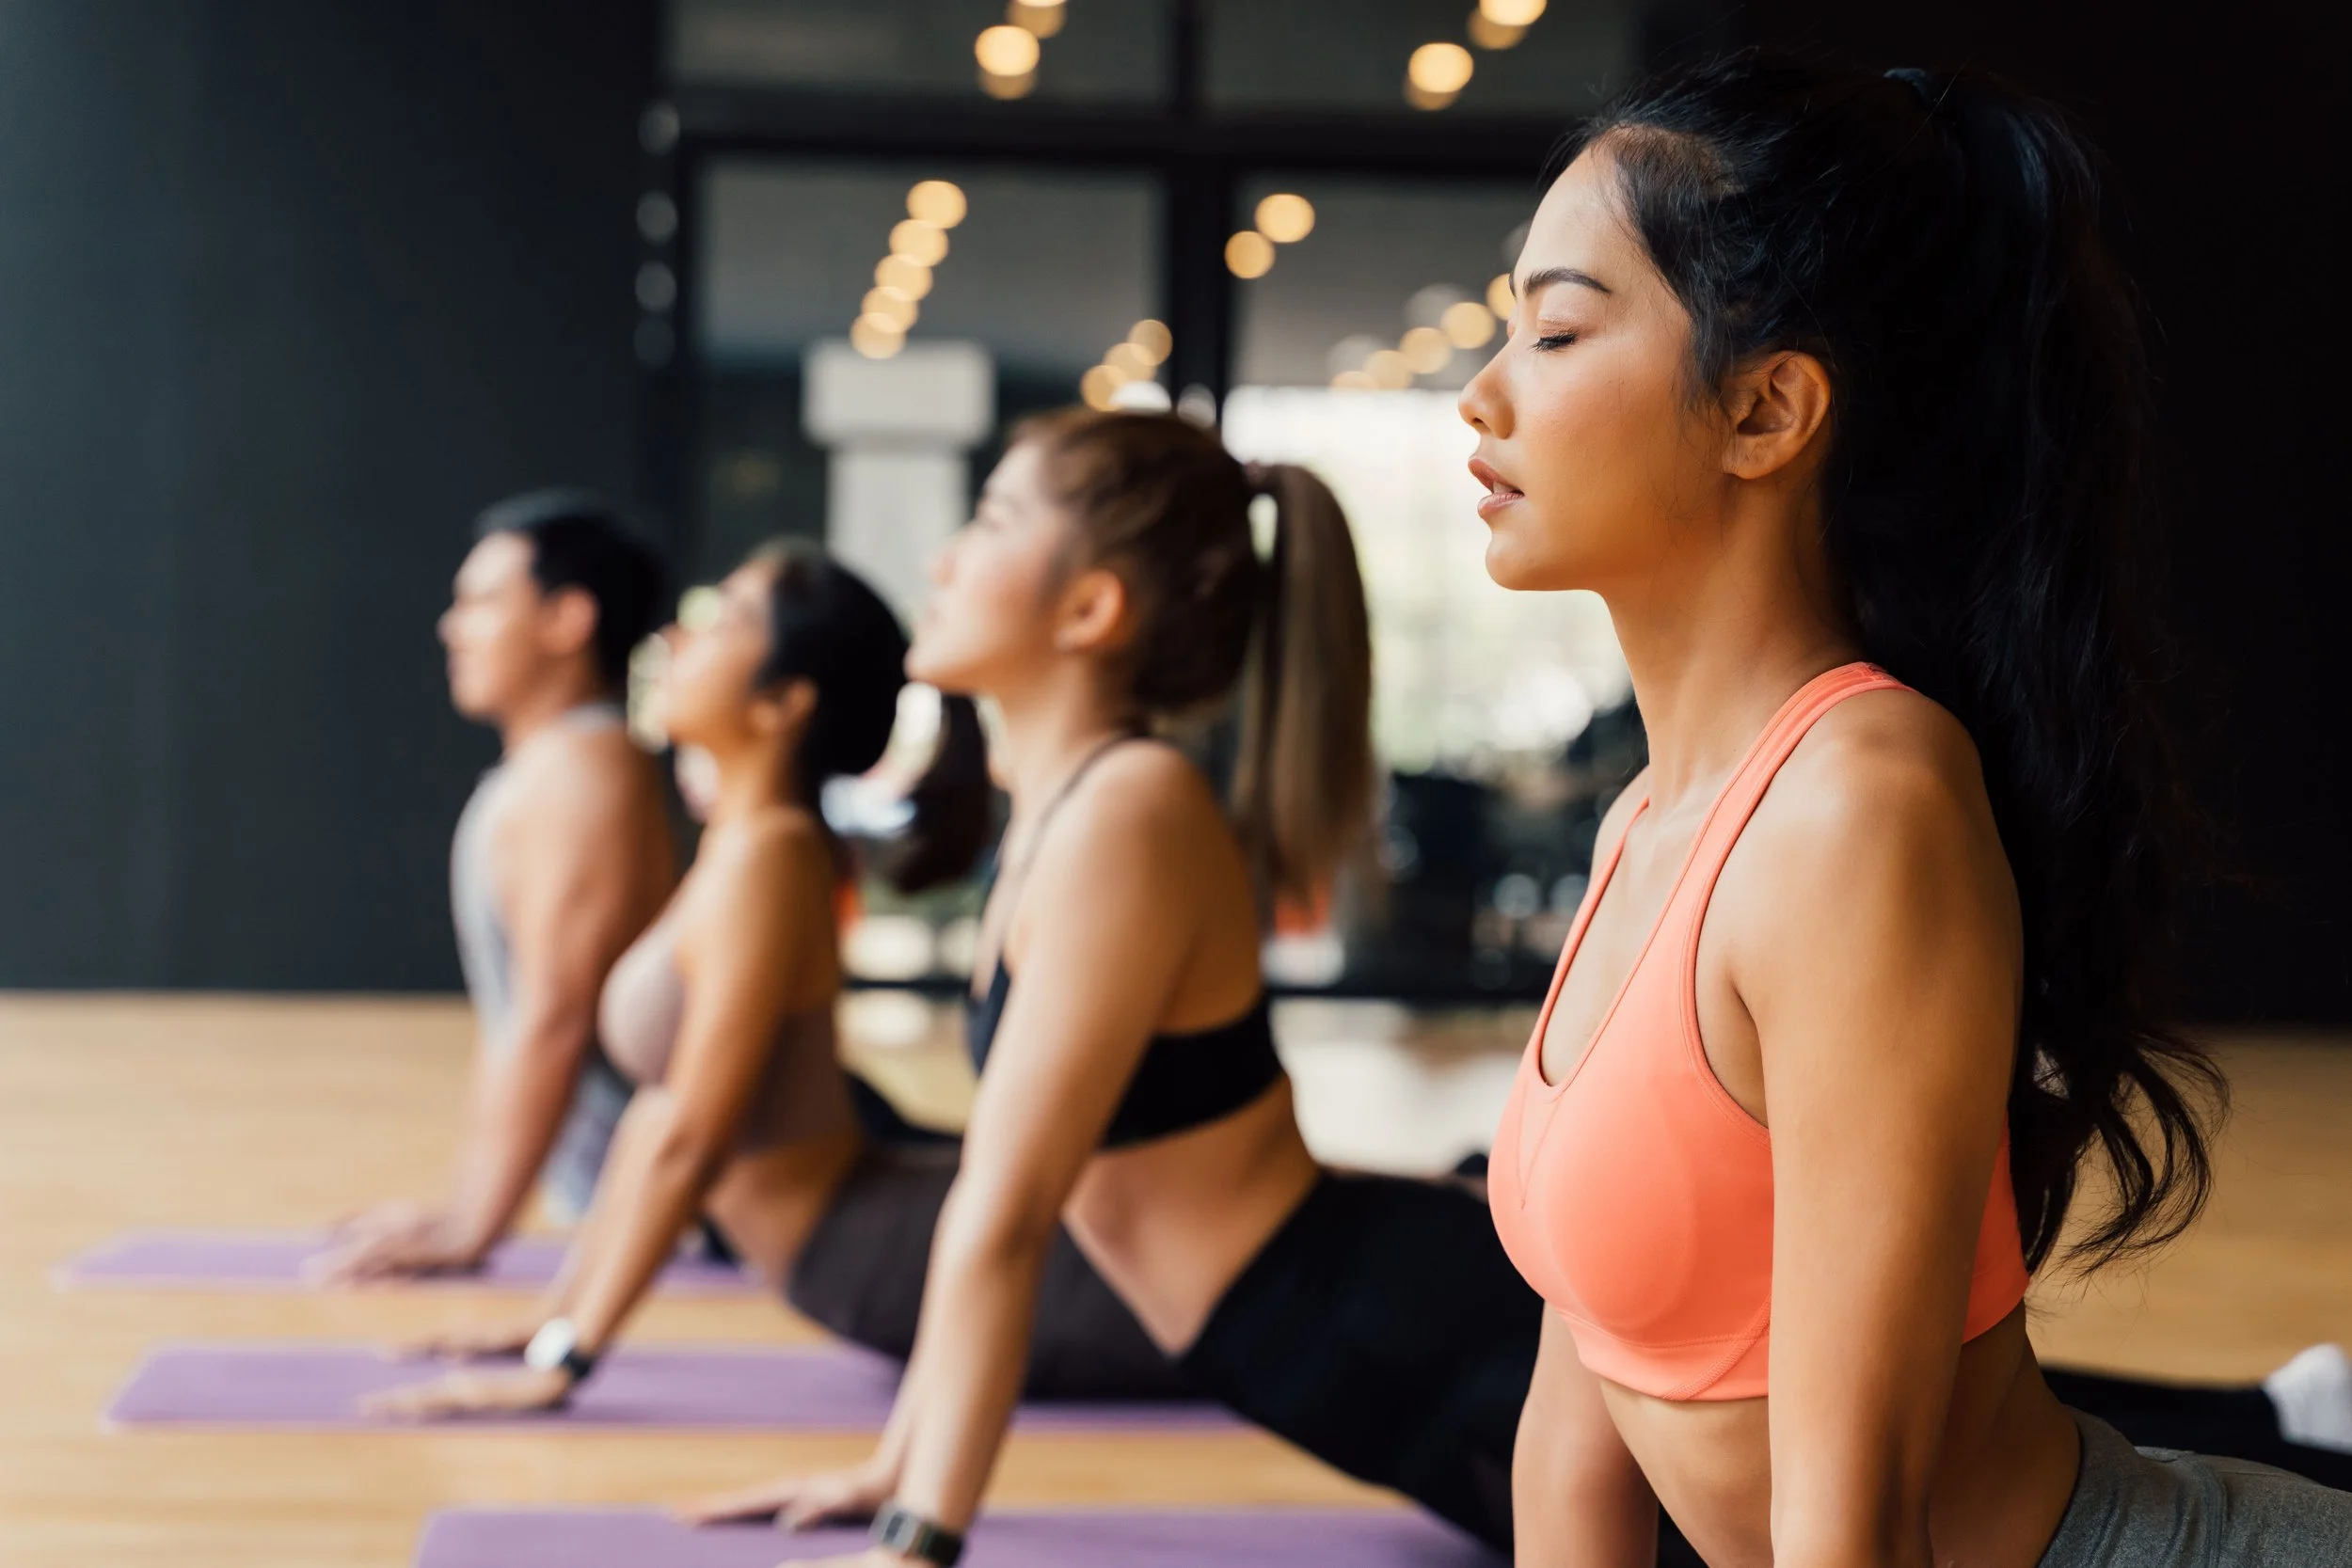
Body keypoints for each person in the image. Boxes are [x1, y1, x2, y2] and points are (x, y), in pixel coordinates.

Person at [1470, 53, 2352, 1567]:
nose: (1484, 392)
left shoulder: (1859, 806)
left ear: (1767, 408)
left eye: (1555, 328)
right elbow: (1574, 1447)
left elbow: (1853, 1520)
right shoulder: (1643, 827)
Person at [684, 411, 1560, 1563]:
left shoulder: (1127, 810)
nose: (942, 560)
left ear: (1091, 608)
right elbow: (983, 1213)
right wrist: (890, 1473)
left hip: (1399, 1329)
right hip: (1325, 1351)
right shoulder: (1061, 810)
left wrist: (920, 1538)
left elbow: (1005, 1213)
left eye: (990, 519)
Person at [367, 542, 1187, 1418]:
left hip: (872, 1255)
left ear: (782, 703)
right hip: (865, 1239)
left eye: (724, 623)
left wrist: (563, 1365)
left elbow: (695, 1134)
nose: (681, 640)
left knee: (1218, 1278)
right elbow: (657, 1116)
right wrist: (551, 1319)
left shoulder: (771, 859)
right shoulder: (741, 843)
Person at [319, 491, 675, 1281]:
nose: (453, 627)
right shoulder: (551, 767)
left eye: (482, 602)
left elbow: (556, 1015)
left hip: (711, 1218)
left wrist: (475, 1230)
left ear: (566, 619)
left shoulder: (584, 771)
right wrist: (463, 1204)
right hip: (639, 1204)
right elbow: (516, 1018)